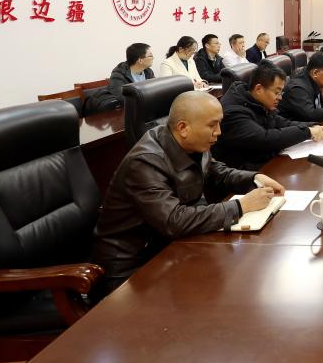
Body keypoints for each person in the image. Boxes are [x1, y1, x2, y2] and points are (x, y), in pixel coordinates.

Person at [90, 91, 285, 296]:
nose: (218, 132)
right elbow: (173, 221)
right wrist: (240, 206)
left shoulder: (192, 142)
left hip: (169, 247)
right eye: (212, 125)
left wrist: (254, 178)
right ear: (183, 128)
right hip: (131, 269)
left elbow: (215, 171)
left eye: (219, 123)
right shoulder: (144, 162)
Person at [214, 64, 323, 169]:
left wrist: (312, 126)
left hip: (264, 162)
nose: (280, 97)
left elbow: (282, 122)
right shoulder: (233, 112)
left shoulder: (256, 101)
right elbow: (264, 139)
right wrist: (307, 132)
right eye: (276, 92)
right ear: (258, 89)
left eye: (281, 92)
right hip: (243, 173)